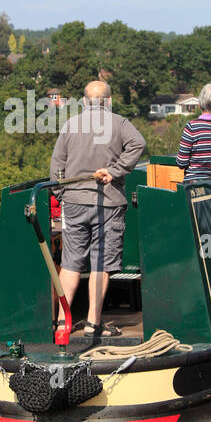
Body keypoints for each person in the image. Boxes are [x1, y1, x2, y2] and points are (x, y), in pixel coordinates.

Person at [50, 80, 146, 336]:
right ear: (109, 101)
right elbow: (139, 144)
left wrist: (63, 195)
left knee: (70, 263)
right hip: (108, 203)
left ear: (83, 102)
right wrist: (114, 172)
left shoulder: (70, 125)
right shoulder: (120, 123)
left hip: (74, 203)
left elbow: (56, 167)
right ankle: (93, 323)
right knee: (100, 264)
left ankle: (62, 323)